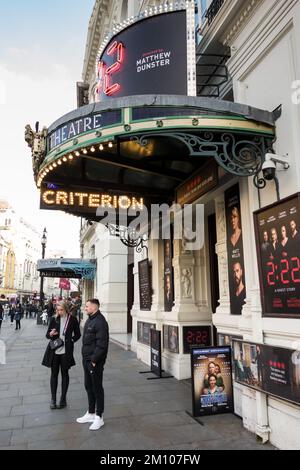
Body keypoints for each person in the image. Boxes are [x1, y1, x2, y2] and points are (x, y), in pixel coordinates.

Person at [77, 299, 109, 431]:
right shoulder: (90, 319)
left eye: (87, 306)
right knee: (88, 386)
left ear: (94, 307)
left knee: (97, 388)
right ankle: (90, 413)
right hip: (86, 359)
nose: (85, 308)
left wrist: (94, 360)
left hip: (94, 361)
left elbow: (102, 344)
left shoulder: (100, 322)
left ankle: (99, 417)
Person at [42, 300, 81, 410]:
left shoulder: (72, 319)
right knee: (54, 374)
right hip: (55, 351)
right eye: (57, 310)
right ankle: (53, 399)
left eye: (61, 310)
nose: (59, 312)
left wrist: (71, 340)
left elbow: (78, 335)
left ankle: (63, 398)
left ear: (66, 309)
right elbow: (47, 336)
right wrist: (51, 334)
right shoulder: (54, 319)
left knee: (65, 374)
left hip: (66, 352)